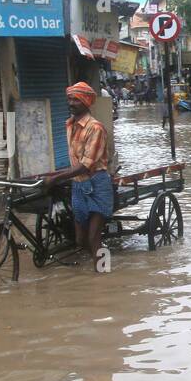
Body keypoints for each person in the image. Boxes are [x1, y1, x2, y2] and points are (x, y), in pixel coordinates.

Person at [42, 82, 113, 270]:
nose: (71, 103)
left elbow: (86, 165)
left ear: (86, 102)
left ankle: (104, 275)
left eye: (76, 99)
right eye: (69, 99)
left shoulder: (95, 128)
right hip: (78, 186)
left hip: (97, 185)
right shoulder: (70, 125)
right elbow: (75, 163)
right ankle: (103, 263)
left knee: (93, 237)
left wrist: (57, 178)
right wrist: (54, 175)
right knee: (80, 240)